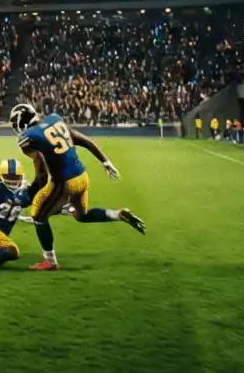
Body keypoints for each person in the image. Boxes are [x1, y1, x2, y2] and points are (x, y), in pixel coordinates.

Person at [11, 102, 145, 271]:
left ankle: (50, 261)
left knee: (38, 214)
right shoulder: (54, 120)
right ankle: (118, 214)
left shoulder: (28, 137)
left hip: (64, 182)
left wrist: (27, 195)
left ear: (20, 123)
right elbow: (83, 140)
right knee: (81, 215)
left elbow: (42, 176)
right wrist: (105, 161)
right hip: (82, 177)